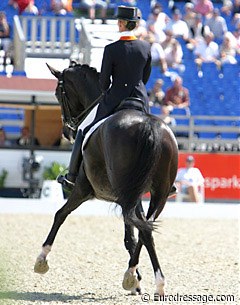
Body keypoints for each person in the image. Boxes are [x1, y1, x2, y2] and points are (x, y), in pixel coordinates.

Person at [57, 5, 152, 190]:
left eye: (119, 21)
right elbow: (145, 77)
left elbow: (103, 83)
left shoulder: (111, 49)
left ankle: (71, 176)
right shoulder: (146, 47)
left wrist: (109, 89)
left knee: (83, 130)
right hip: (140, 99)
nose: (117, 23)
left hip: (115, 99)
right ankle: (165, 182)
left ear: (123, 23)